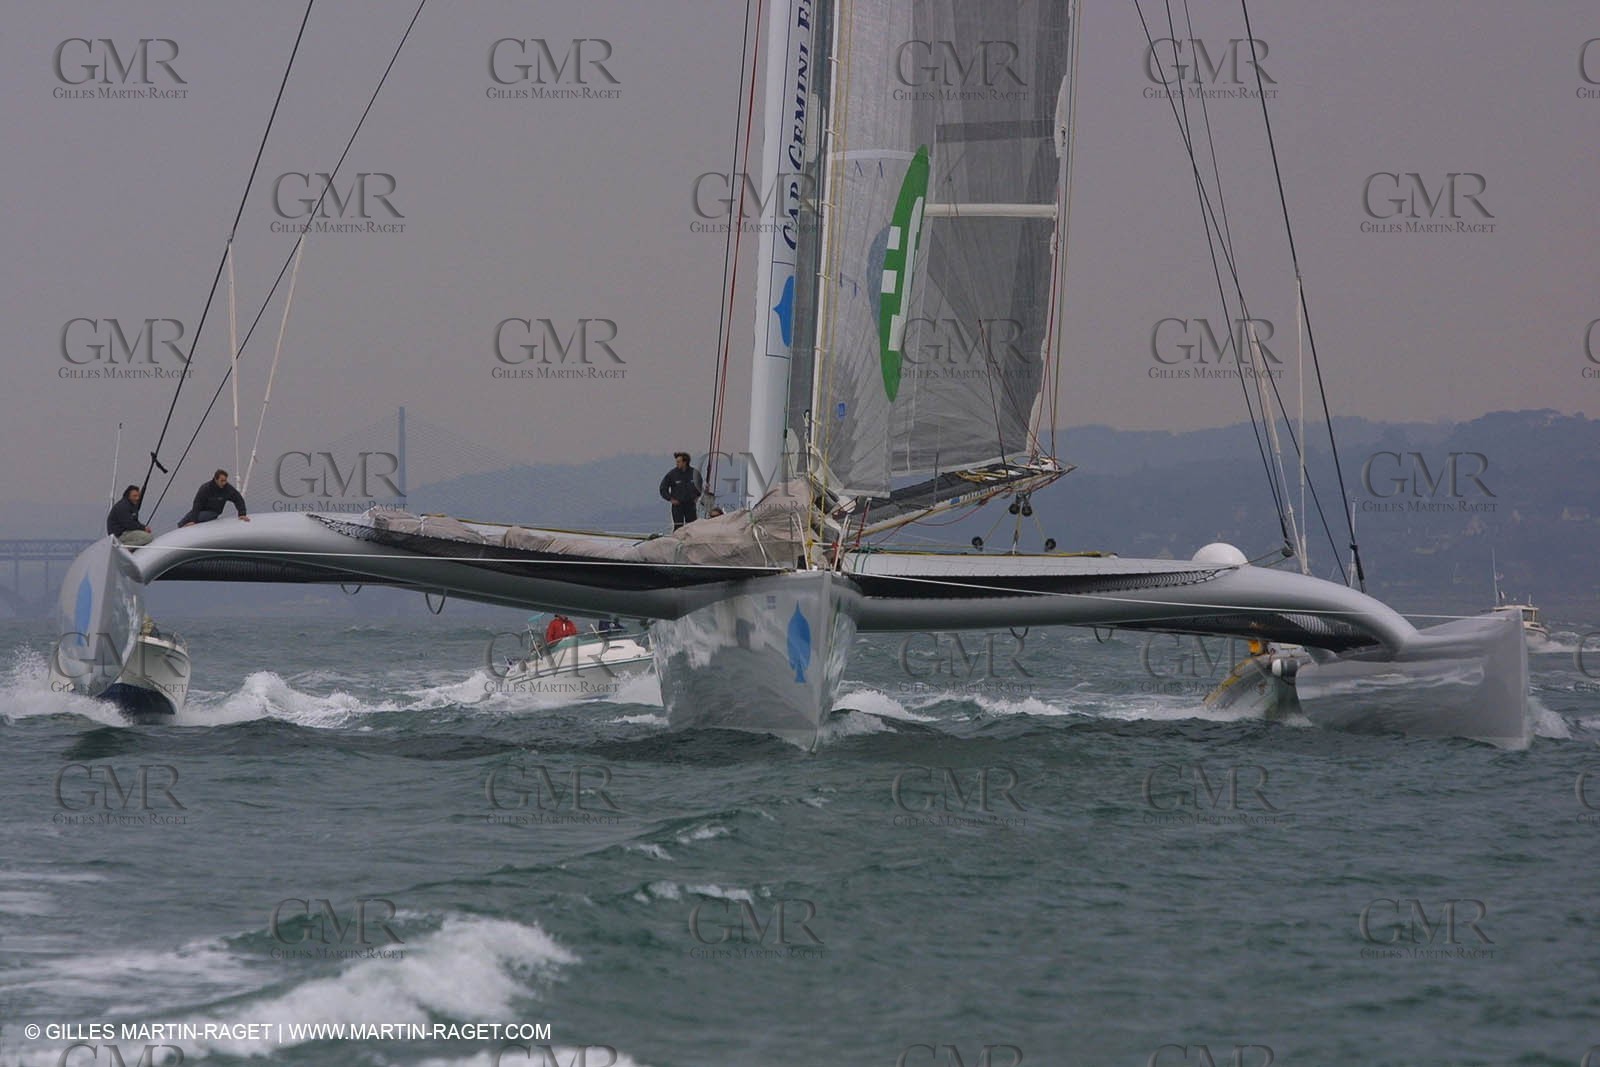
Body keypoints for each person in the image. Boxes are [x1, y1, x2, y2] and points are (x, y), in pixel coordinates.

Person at [178, 469, 250, 527]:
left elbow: (238, 499)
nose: (224, 483)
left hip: (213, 512)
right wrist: (193, 520)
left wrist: (242, 514)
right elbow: (197, 504)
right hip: (201, 509)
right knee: (182, 522)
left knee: (199, 517)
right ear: (216, 479)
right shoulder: (206, 488)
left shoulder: (227, 489)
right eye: (222, 481)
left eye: (225, 480)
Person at [658, 451, 703, 530]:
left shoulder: (694, 473)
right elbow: (663, 488)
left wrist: (697, 496)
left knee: (692, 527)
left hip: (690, 504)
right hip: (677, 505)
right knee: (678, 527)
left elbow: (699, 486)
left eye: (679, 462)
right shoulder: (672, 474)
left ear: (685, 462)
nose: (677, 463)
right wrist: (670, 499)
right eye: (676, 462)